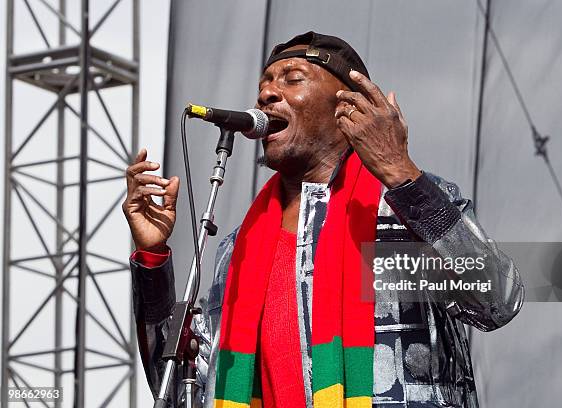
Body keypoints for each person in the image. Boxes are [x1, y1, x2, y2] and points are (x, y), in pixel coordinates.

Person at [124, 32, 524, 408]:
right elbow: (179, 388)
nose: (266, 93)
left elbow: (496, 302)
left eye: (292, 79)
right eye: (264, 83)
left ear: (346, 107)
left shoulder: (404, 208)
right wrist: (153, 256)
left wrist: (401, 173)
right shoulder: (238, 250)